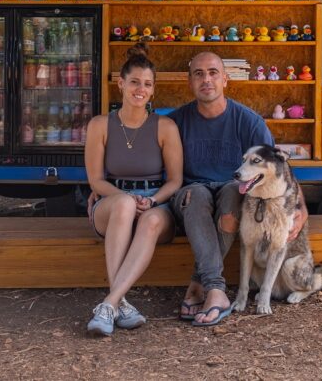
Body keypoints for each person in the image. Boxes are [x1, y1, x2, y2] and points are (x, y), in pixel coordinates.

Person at [169, 51, 308, 326]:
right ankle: (213, 286)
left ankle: (202, 286)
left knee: (235, 191)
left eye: (212, 73)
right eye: (198, 73)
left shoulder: (249, 122)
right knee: (196, 194)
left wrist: (301, 209)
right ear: (189, 82)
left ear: (225, 80)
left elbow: (278, 169)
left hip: (234, 194)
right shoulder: (175, 122)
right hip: (189, 196)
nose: (206, 79)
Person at [83, 43, 183, 336]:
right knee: (125, 205)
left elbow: (175, 180)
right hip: (112, 204)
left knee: (150, 221)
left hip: (156, 203)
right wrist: (125, 196)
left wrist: (152, 201)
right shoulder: (100, 125)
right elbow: (95, 180)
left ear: (153, 90)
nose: (141, 89)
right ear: (121, 84)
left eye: (147, 84)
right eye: (135, 82)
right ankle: (119, 302)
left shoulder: (165, 127)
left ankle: (111, 303)